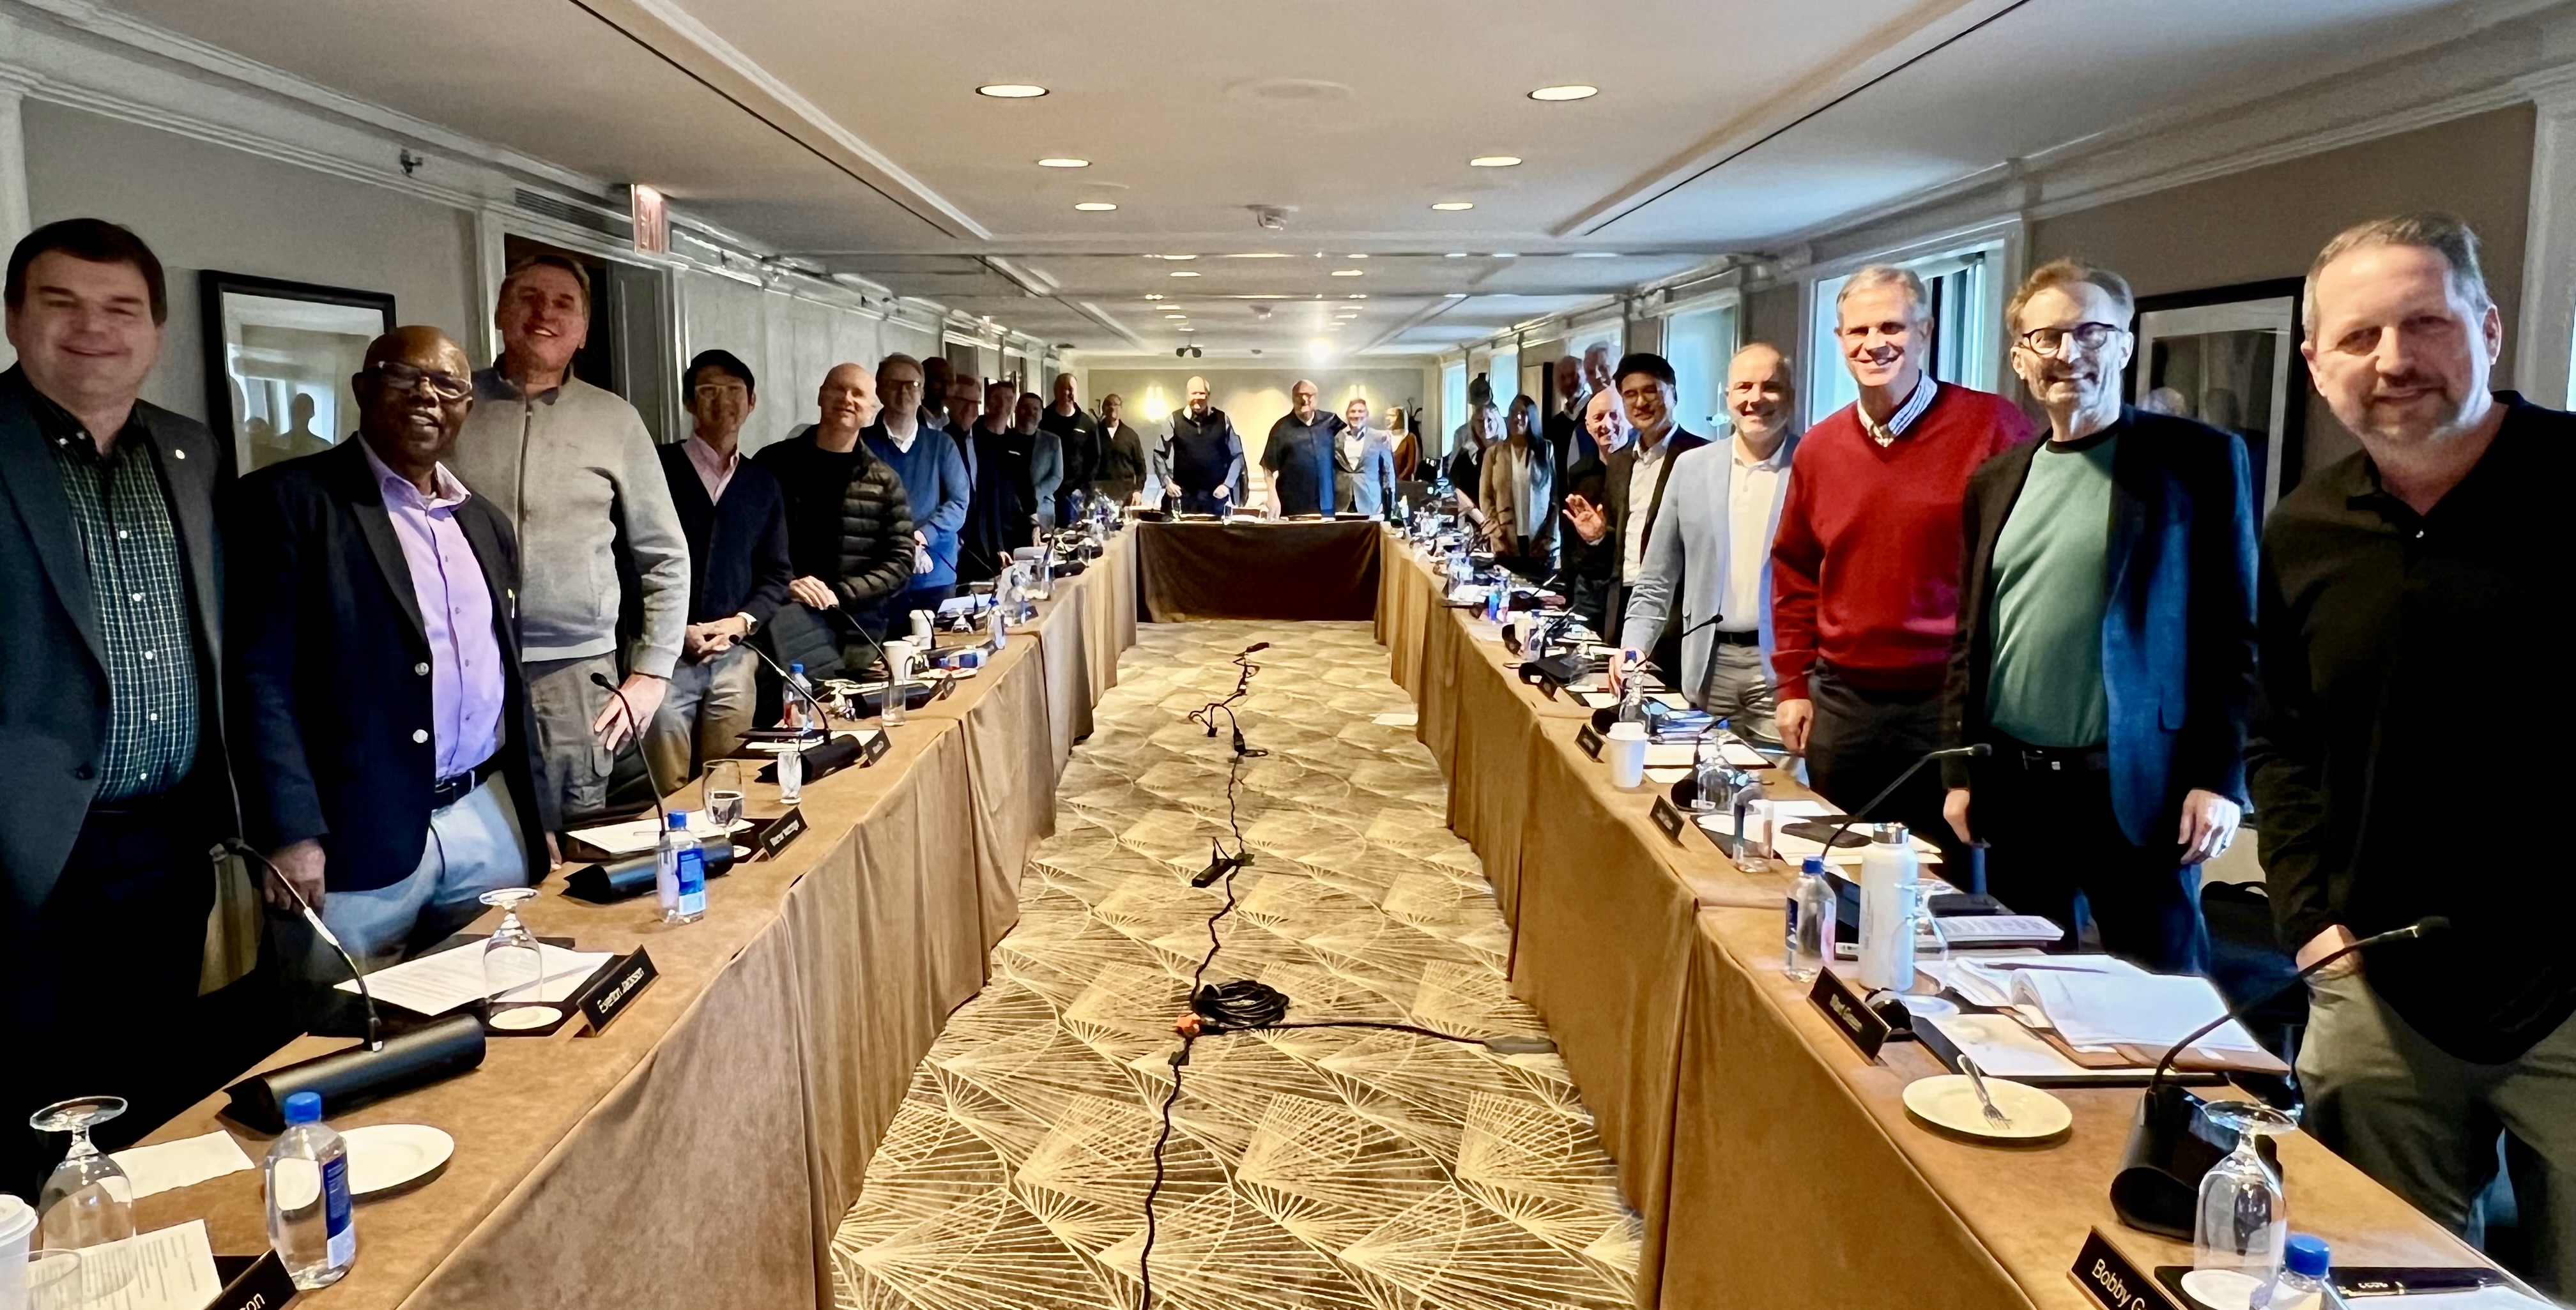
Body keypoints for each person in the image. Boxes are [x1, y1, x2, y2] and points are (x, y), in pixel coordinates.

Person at [2251, 214, 2575, 1296]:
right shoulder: (2302, 527)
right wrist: (2305, 922)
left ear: (2486, 327)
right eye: (2357, 339)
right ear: (2313, 364)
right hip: (2377, 992)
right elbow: (2285, 740)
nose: (2392, 362)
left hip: (2567, 998)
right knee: (2378, 1277)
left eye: (2424, 323)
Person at [2, 219, 238, 1189]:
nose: (93, 329)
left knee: (153, 1084)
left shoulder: (192, 453)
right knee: (29, 1111)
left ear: (156, 330)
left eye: (121, 309)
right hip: (23, 857)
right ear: (17, 319)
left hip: (171, 843)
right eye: (62, 304)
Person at [1941, 261, 2255, 972]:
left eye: (2090, 331)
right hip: (2016, 784)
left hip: (2137, 783)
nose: (2068, 353)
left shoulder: (2198, 461)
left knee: (2162, 990)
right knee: (2021, 984)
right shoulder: (1995, 480)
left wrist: (2221, 776)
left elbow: (2234, 633)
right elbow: (1971, 639)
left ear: (2124, 342)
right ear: (2020, 357)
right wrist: (1960, 772)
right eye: (2046, 336)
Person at [229, 325, 550, 989]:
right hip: (353, 834)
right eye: (405, 377)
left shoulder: (483, 522)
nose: (426, 395)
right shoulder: (288, 502)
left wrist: (532, 816)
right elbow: (259, 680)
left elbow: (506, 679)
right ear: (362, 389)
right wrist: (291, 832)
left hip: (483, 816)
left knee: (494, 1008)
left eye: (449, 385)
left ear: (467, 405)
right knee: (344, 1039)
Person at [1769, 265, 2037, 857]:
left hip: (1951, 699)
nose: (1874, 343)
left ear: (1925, 332)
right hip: (1844, 703)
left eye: (1891, 325)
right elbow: (1794, 571)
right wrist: (1794, 682)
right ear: (1839, 341)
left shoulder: (1993, 428)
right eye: (1858, 331)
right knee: (1844, 865)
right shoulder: (1819, 448)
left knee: (1955, 875)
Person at [450, 254, 687, 824]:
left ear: (583, 331)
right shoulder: (454, 408)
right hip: (466, 663)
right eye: (529, 297)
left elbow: (665, 557)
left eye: (564, 304)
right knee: (474, 831)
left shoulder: (616, 420)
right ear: (502, 313)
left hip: (574, 675)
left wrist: (653, 673)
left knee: (573, 839)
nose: (544, 313)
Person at [1620, 344, 1800, 745]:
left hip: (1785, 674)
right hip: (1706, 665)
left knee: (1778, 794)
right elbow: (1656, 578)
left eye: (1771, 387)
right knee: (1702, 791)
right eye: (1744, 387)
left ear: (1791, 393)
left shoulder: (1815, 466)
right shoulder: (1691, 467)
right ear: (1729, 397)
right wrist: (1633, 648)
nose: (1756, 399)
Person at [645, 349, 792, 793]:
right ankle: (672, 854)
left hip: (735, 653)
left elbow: (775, 573)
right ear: (690, 403)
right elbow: (630, 562)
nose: (722, 402)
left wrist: (739, 623)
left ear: (751, 403)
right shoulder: (655, 469)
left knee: (727, 775)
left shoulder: (762, 483)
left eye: (734, 392)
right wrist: (677, 629)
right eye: (708, 391)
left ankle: (724, 852)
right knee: (668, 783)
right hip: (665, 654)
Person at [750, 364, 916, 660]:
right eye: (838, 389)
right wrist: (783, 585)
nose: (847, 399)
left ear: (871, 409)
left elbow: (901, 561)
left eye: (858, 394)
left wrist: (841, 593)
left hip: (858, 630)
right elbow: (745, 544)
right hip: (783, 625)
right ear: (821, 396)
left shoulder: (885, 480)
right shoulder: (772, 464)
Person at [1605, 353, 1712, 678]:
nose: (1641, 402)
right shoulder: (1620, 462)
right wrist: (1600, 535)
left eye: (1651, 391)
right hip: (1623, 601)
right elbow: (1622, 536)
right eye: (1630, 394)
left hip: (1678, 611)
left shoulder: (1701, 458)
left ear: (1673, 394)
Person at [863, 355, 971, 620]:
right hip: (878, 578)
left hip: (934, 577)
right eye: (893, 383)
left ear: (922, 393)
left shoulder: (942, 445)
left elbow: (959, 502)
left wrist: (923, 536)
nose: (903, 391)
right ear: (879, 390)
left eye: (911, 384)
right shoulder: (861, 445)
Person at [1559, 388, 1633, 633]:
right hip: (1588, 585)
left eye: (1614, 416)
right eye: (1599, 418)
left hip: (1627, 585)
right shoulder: (1580, 472)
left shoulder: (1642, 467)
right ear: (1588, 426)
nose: (1607, 425)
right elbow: (1571, 536)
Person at [960, 379, 1037, 581]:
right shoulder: (973, 435)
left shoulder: (1016, 441)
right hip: (981, 525)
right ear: (987, 402)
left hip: (1011, 523)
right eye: (997, 398)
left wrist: (1035, 523)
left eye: (1009, 399)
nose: (1003, 404)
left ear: (1014, 405)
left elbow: (1026, 485)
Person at [1479, 394, 1557, 576]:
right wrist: (1495, 531)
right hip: (1505, 540)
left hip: (1538, 542)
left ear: (1532, 417)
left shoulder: (1546, 450)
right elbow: (1485, 496)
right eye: (1513, 412)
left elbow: (1556, 497)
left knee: (1537, 599)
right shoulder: (1494, 453)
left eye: (1523, 413)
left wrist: (1550, 536)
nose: (1517, 417)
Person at [1156, 376, 1242, 514]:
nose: (1198, 397)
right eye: (1194, 393)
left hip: (1216, 500)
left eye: (1202, 393)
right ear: (1187, 395)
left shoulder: (1222, 419)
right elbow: (1159, 453)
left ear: (1208, 396)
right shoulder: (1174, 420)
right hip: (1183, 500)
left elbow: (1237, 455)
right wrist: (1167, 482)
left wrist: (1227, 485)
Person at [1263, 379, 1340, 517]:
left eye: (1308, 395)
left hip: (1328, 504)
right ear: (1293, 398)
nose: (1304, 399)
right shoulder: (1281, 428)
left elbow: (1353, 443)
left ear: (1316, 397)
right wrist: (1272, 495)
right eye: (1299, 395)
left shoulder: (1331, 421)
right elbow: (1268, 466)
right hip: (1293, 506)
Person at [1040, 372, 1099, 524]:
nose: (1068, 392)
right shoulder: (1043, 419)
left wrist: (1085, 489)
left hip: (1074, 494)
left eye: (1071, 388)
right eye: (1064, 388)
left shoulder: (1087, 423)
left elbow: (1094, 458)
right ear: (1056, 391)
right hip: (1046, 494)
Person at [1333, 395, 1399, 517]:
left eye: (1361, 411)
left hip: (1370, 500)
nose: (1357, 415)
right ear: (1347, 415)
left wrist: (1390, 501)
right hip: (1342, 501)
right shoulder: (1336, 438)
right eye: (1353, 411)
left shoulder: (1380, 438)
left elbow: (1388, 471)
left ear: (1367, 415)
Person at [1015, 390, 1064, 531]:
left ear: (1041, 413)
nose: (1031, 412)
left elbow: (1057, 476)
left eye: (1035, 409)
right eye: (1026, 407)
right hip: (1011, 511)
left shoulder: (1053, 441)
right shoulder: (1007, 439)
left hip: (1043, 509)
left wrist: (1032, 495)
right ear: (1017, 410)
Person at [1095, 393, 1150, 505]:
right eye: (1108, 404)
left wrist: (1138, 490)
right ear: (1103, 408)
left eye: (1116, 404)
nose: (1112, 408)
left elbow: (1141, 468)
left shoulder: (1131, 436)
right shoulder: (1093, 434)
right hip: (1099, 495)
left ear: (1121, 408)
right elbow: (1085, 465)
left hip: (1126, 496)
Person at [1545, 354, 1594, 472]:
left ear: (1584, 376)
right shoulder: (1556, 424)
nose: (1568, 382)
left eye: (1573, 375)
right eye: (1562, 377)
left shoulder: (1595, 413)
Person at [919, 354, 952, 427]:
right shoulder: (912, 420)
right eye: (938, 380)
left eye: (949, 381)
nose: (945, 387)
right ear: (924, 383)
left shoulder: (950, 422)